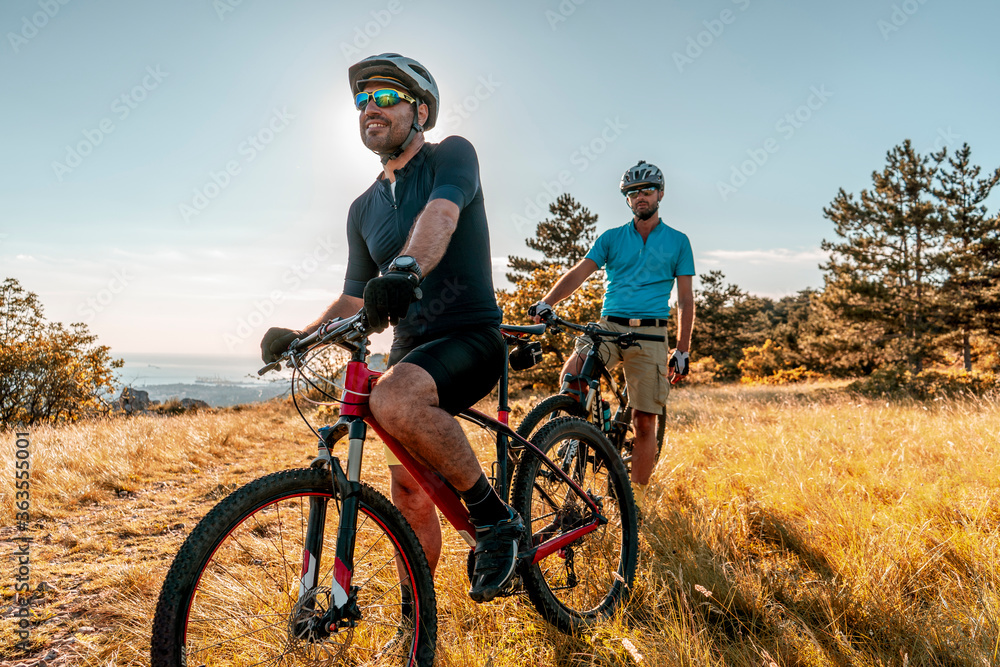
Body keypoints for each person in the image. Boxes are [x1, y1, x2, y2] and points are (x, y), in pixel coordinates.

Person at [260, 53, 523, 606]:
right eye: (361, 101)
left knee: (393, 400)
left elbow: (442, 216)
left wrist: (405, 269)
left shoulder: (452, 154)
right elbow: (355, 293)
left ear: (420, 110)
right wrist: (301, 335)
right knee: (407, 490)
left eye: (385, 98)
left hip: (470, 335)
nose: (369, 108)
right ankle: (418, 613)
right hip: (412, 348)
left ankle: (496, 521)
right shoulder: (362, 208)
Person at [530, 160, 695, 507]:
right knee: (573, 374)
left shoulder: (679, 242)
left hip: (650, 334)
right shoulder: (611, 238)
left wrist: (682, 349)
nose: (640, 197)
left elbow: (684, 299)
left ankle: (632, 502)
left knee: (644, 421)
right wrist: (546, 301)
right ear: (627, 199)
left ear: (660, 194)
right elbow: (579, 273)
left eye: (646, 190)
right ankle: (579, 434)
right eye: (633, 193)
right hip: (609, 326)